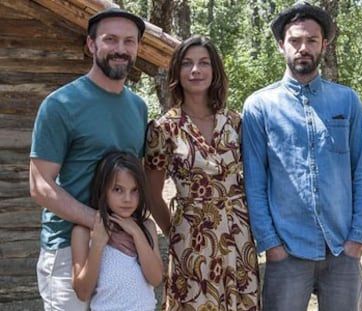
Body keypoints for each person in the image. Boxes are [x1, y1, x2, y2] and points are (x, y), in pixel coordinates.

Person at [242, 2, 362, 311]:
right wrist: (271, 245)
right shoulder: (259, 107)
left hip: (343, 249)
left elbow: (361, 172)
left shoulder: (347, 100)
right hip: (287, 252)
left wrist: (358, 238)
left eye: (312, 40)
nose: (303, 48)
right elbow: (255, 181)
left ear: (323, 44)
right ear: (280, 45)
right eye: (295, 40)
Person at [29, 7, 148, 310]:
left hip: (121, 249)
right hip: (68, 246)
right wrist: (102, 225)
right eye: (111, 40)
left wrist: (130, 230)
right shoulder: (60, 105)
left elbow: (135, 178)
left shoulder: (138, 107)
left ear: (137, 48)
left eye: (129, 41)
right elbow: (40, 186)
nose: (120, 49)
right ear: (91, 44)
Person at [145, 35, 260, 310]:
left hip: (239, 236)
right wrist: (176, 231)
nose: (195, 70)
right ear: (177, 72)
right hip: (191, 238)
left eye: (203, 63)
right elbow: (151, 194)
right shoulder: (164, 129)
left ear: (214, 70)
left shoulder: (235, 123)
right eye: (187, 64)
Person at [71, 151, 163, 311]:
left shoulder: (147, 227)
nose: (127, 199)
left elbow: (155, 279)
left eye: (134, 190)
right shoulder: (83, 233)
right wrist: (98, 245)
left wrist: (137, 234)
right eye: (118, 190)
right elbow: (83, 292)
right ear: (103, 190)